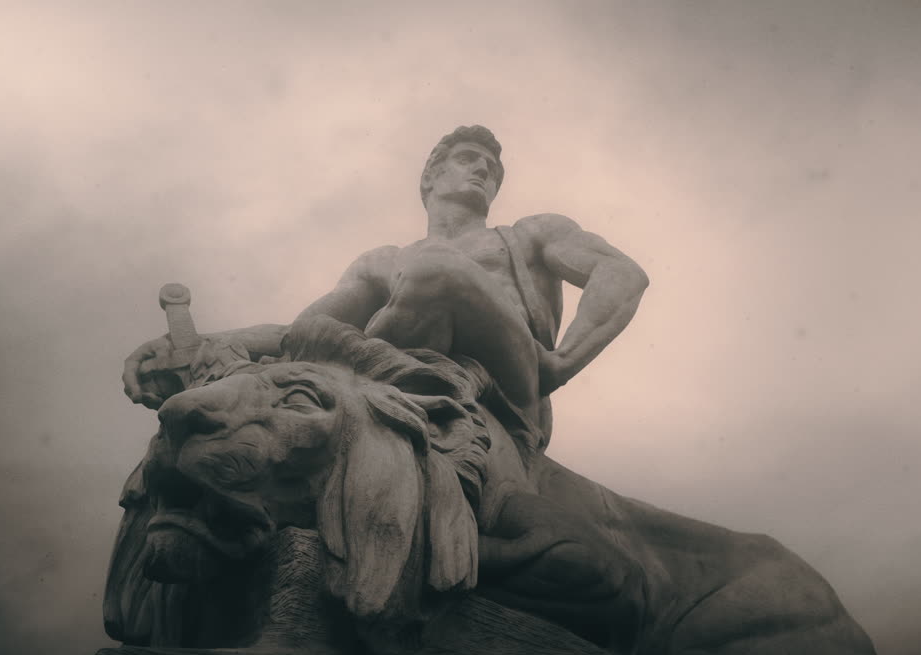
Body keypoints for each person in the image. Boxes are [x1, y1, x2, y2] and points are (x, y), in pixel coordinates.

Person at [123, 125, 648, 446]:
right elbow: (302, 330)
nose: (485, 171)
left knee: (436, 271)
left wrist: (560, 363)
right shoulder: (383, 263)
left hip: (508, 385)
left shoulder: (532, 234)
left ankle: (349, 392)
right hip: (400, 367)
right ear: (431, 177)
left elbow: (621, 274)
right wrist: (203, 343)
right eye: (470, 160)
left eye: (493, 169)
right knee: (325, 338)